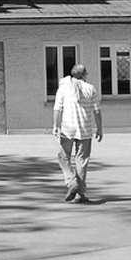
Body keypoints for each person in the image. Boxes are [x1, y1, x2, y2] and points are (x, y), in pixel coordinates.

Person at [53, 64, 103, 203]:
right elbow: (97, 111)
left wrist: (56, 126)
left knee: (63, 156)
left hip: (67, 129)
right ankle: (80, 192)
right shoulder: (91, 88)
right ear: (84, 74)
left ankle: (71, 182)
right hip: (85, 129)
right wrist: (99, 128)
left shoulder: (63, 88)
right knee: (82, 160)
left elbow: (57, 108)